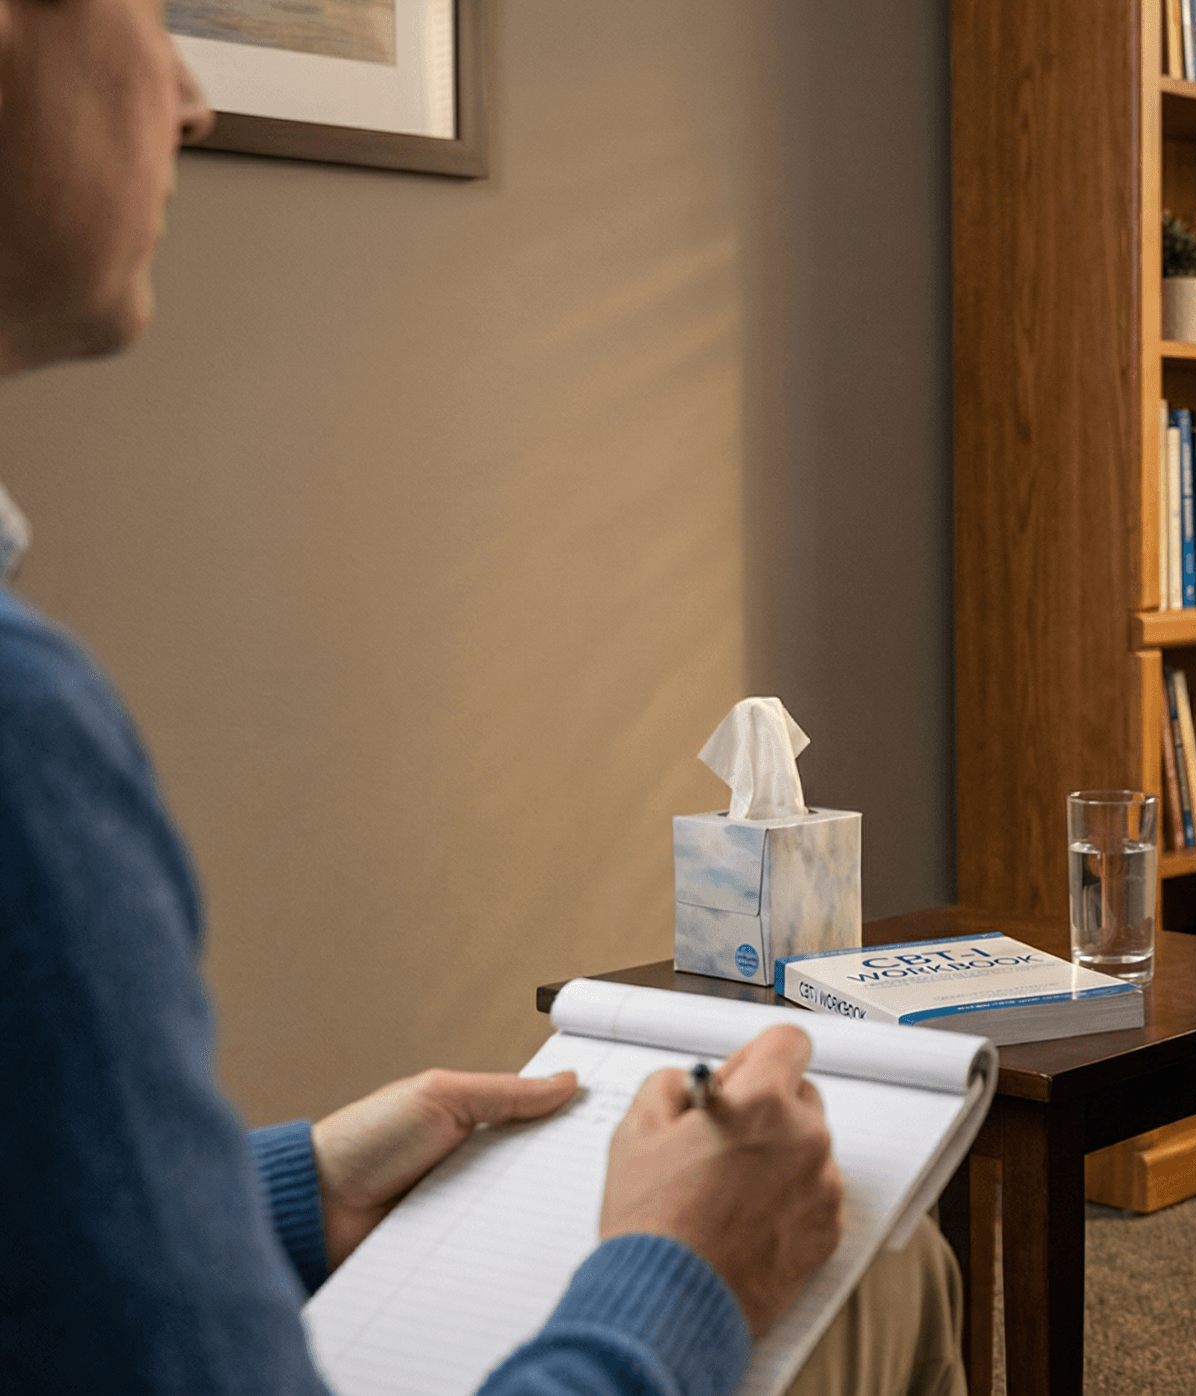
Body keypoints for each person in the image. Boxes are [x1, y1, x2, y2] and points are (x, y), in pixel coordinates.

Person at [0, 2, 888, 1392]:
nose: (190, 97)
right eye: (145, 13)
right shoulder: (21, 740)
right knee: (878, 1274)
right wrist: (677, 1277)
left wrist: (296, 1188)